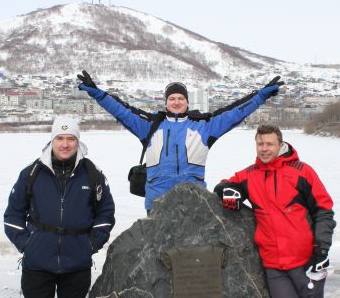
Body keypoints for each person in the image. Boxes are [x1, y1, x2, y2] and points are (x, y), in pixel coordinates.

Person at [214, 124, 336, 298]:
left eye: (270, 143)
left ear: (280, 144)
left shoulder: (302, 171)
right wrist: (228, 194)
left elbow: (324, 210)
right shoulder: (250, 175)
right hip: (274, 265)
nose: (265, 149)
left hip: (306, 261)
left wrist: (321, 249)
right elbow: (223, 185)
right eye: (260, 144)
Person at [4, 116, 115, 298]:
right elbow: (12, 217)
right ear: (52, 141)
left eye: (71, 139)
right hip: (37, 264)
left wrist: (90, 244)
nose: (65, 144)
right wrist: (28, 245)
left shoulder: (92, 175)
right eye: (60, 139)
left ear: (78, 142)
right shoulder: (31, 174)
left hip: (76, 264)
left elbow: (106, 214)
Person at [77, 71, 284, 211]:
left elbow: (235, 111)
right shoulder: (150, 125)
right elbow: (121, 110)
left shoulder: (204, 125)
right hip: (157, 203)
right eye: (172, 98)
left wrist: (260, 96)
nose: (176, 102)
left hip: (194, 202)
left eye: (180, 98)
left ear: (187, 102)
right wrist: (98, 94)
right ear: (166, 102)